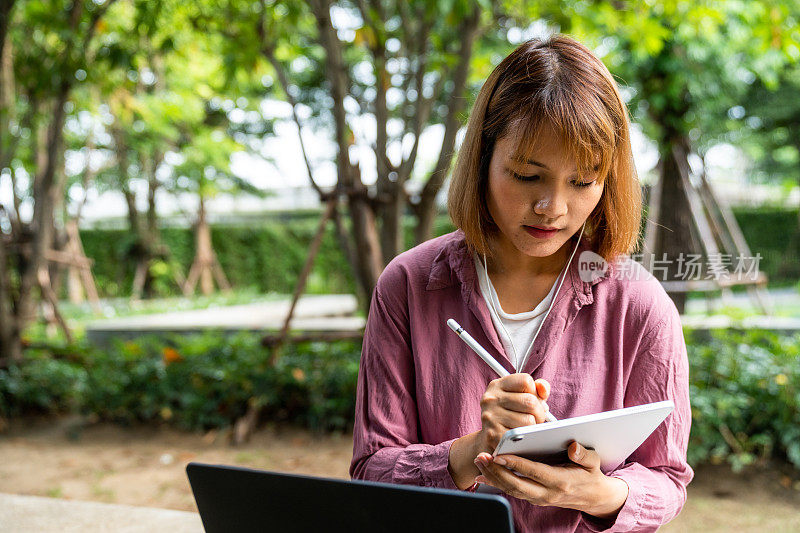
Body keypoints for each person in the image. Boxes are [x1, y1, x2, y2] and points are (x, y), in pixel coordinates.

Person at [349, 33, 693, 532]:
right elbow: (371, 471)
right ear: (483, 157)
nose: (552, 208)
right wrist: (473, 451)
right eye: (527, 175)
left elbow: (667, 477)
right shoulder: (410, 285)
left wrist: (601, 495)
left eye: (583, 181)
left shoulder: (638, 304)